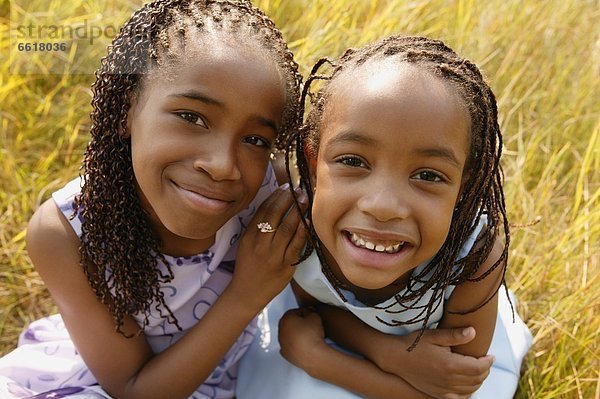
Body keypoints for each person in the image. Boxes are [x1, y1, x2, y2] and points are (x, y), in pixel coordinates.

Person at [0, 1, 308, 398]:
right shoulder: (65, 233)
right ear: (127, 109)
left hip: (239, 374)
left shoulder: (269, 192)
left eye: (254, 140)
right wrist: (247, 294)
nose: (222, 165)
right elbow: (132, 388)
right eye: (192, 117)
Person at [237, 35, 532, 399]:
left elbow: (451, 390)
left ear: (463, 188)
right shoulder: (298, 225)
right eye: (353, 161)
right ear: (313, 162)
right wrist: (385, 353)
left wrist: (320, 360)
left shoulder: (474, 257)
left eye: (428, 175)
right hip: (334, 338)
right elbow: (313, 309)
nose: (382, 206)